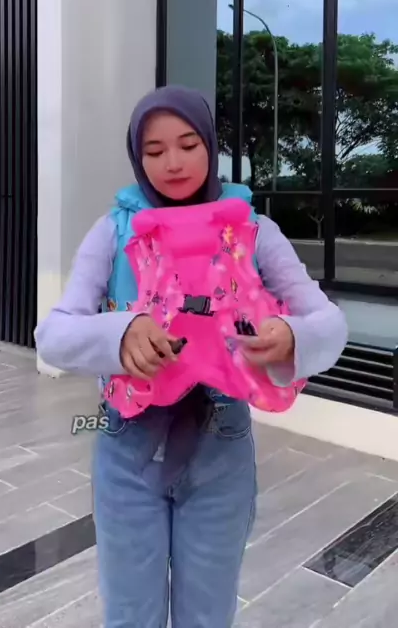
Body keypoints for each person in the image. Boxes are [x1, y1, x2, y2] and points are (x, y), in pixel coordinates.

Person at [35, 84, 348, 628]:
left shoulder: (251, 231)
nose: (173, 163)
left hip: (221, 448)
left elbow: (330, 324)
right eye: (154, 151)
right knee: (131, 615)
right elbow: (53, 335)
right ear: (137, 157)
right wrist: (120, 333)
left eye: (187, 144)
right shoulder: (115, 230)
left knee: (207, 615)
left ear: (209, 146)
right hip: (126, 446)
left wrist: (292, 335)